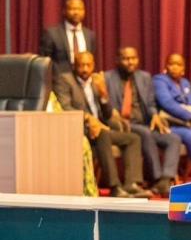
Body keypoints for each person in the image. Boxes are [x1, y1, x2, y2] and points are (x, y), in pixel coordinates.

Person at [54, 52, 151, 198]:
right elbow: (65, 107)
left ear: (94, 65)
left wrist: (104, 94)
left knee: (133, 139)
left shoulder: (96, 81)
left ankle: (131, 184)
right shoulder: (65, 80)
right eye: (81, 65)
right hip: (80, 129)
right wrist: (88, 118)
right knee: (103, 134)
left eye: (88, 65)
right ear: (74, 66)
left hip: (100, 127)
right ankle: (114, 186)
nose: (85, 69)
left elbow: (106, 114)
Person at [105, 47, 181, 196]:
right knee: (145, 133)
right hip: (122, 124)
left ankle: (165, 179)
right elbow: (106, 106)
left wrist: (154, 115)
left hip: (144, 123)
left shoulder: (144, 77)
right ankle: (156, 177)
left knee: (173, 138)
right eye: (126, 59)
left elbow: (151, 103)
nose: (130, 62)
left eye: (133, 58)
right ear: (117, 60)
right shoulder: (108, 78)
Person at [40, 0, 98, 75]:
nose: (76, 12)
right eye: (72, 9)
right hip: (59, 81)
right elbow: (44, 61)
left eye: (80, 9)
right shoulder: (51, 34)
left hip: (83, 80)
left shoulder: (90, 35)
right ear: (64, 11)